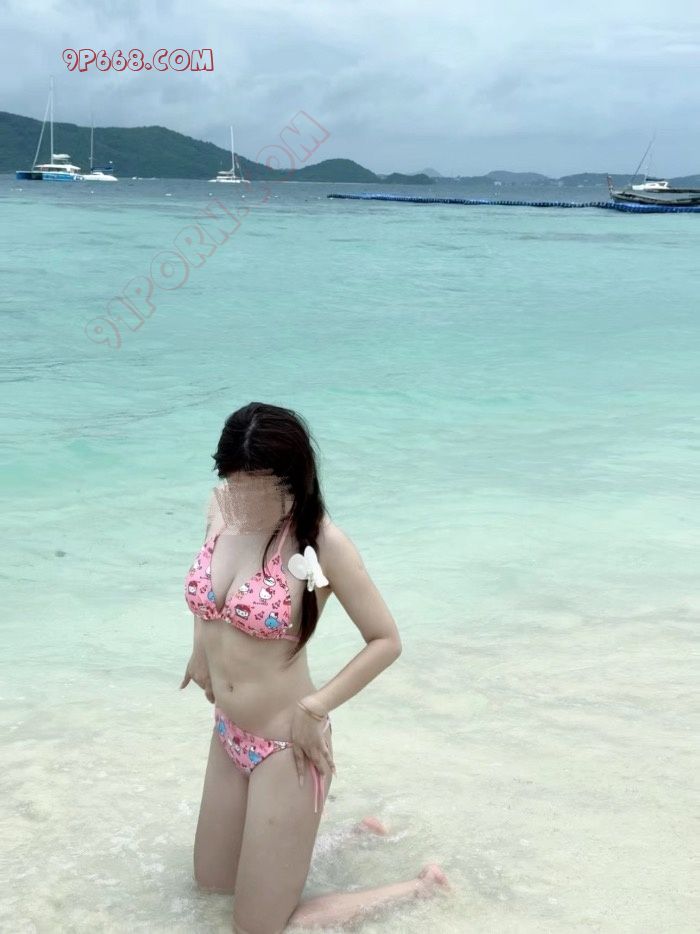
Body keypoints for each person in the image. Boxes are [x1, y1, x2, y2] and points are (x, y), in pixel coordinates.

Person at [180, 402, 449, 933]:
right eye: (235, 482)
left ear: (292, 477)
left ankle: (422, 887)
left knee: (257, 929)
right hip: (227, 732)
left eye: (259, 487)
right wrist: (198, 648)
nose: (243, 499)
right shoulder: (220, 507)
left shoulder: (321, 542)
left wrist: (315, 706)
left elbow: (386, 640)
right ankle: (351, 837)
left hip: (287, 748)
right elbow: (207, 592)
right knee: (209, 890)